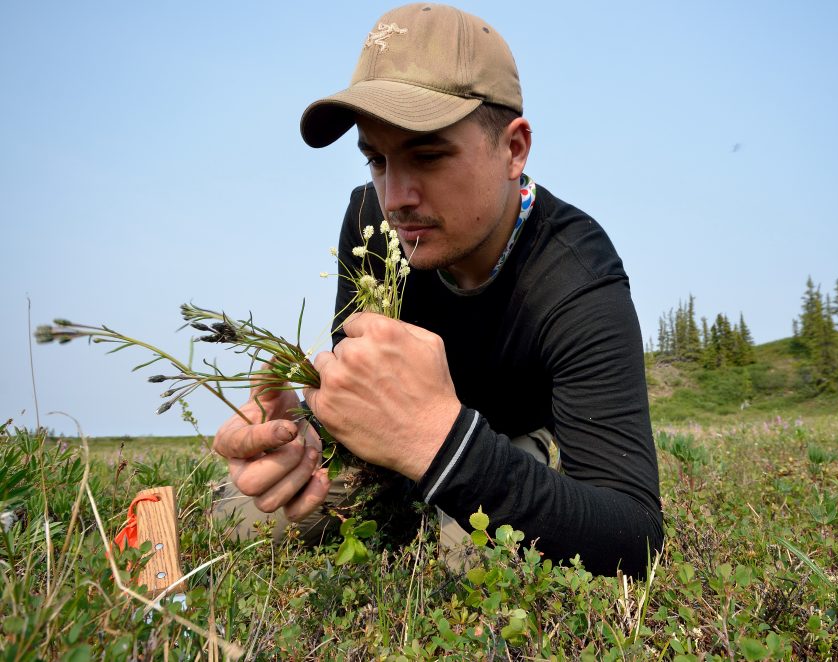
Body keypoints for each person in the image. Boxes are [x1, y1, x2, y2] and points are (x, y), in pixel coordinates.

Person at [212, 2, 663, 577]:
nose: (395, 197)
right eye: (377, 159)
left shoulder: (577, 276)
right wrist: (302, 429)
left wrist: (439, 443)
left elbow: (634, 535)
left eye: (427, 155)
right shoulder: (371, 223)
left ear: (514, 149)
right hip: (409, 453)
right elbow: (365, 392)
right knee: (246, 518)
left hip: (505, 449)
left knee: (473, 556)